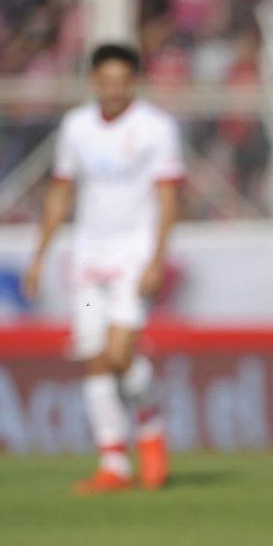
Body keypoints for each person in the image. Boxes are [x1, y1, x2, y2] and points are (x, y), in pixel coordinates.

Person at [23, 44, 183, 494]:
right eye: (105, 81)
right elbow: (61, 191)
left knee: (119, 351)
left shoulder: (155, 127)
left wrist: (157, 258)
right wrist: (39, 255)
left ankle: (149, 421)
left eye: (122, 81)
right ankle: (113, 461)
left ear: (133, 81)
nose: (113, 90)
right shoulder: (76, 127)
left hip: (133, 257)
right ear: (94, 81)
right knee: (94, 354)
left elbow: (169, 197)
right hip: (89, 263)